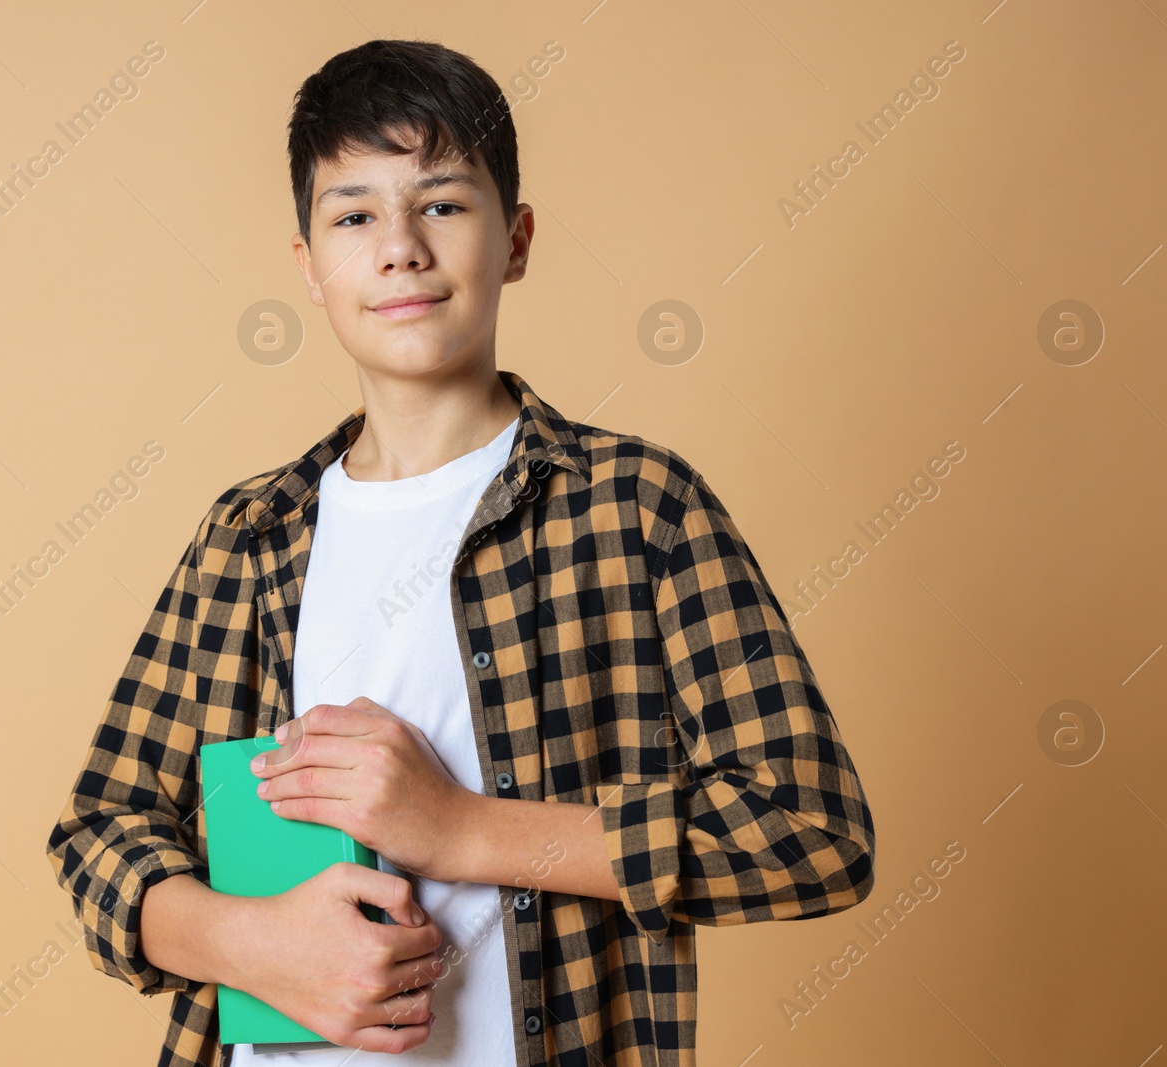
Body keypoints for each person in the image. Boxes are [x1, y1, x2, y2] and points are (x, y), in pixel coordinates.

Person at [46, 37, 876, 1067]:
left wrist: (461, 828)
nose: (400, 247)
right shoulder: (247, 537)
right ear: (308, 267)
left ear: (515, 238)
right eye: (354, 216)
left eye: (441, 203)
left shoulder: (634, 509)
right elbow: (99, 834)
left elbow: (810, 830)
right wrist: (250, 940)